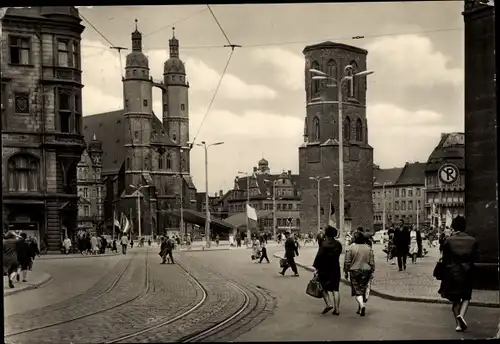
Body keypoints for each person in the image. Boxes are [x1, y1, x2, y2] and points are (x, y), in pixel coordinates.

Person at [438, 216, 478, 332]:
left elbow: (445, 259)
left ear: (454, 226)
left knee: (455, 300)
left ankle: (458, 324)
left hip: (452, 273)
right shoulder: (472, 240)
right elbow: (476, 257)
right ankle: (461, 315)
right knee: (466, 296)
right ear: (465, 226)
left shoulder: (449, 240)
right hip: (467, 272)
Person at [344, 231, 375, 317]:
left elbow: (347, 262)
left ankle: (362, 305)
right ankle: (359, 309)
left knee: (357, 290)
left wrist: (346, 271)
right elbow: (372, 262)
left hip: (354, 270)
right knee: (362, 288)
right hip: (366, 270)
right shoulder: (368, 248)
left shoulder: (350, 248)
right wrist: (372, 270)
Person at [313, 226, 343, 315]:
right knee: (335, 289)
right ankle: (337, 309)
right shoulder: (338, 244)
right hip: (335, 268)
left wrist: (316, 268)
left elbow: (319, 257)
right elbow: (339, 253)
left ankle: (328, 303)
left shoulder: (323, 244)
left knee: (322, 287)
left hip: (324, 269)